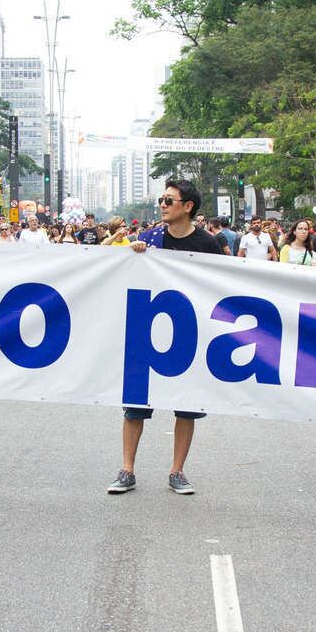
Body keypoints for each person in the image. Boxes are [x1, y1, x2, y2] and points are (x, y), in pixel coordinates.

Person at [110, 180, 224, 496]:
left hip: (188, 335)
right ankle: (127, 470)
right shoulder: (148, 240)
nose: (162, 204)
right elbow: (118, 275)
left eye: (169, 200)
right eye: (162, 199)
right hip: (146, 333)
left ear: (188, 207)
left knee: (185, 407)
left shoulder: (208, 244)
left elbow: (222, 286)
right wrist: (131, 254)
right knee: (135, 405)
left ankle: (177, 472)